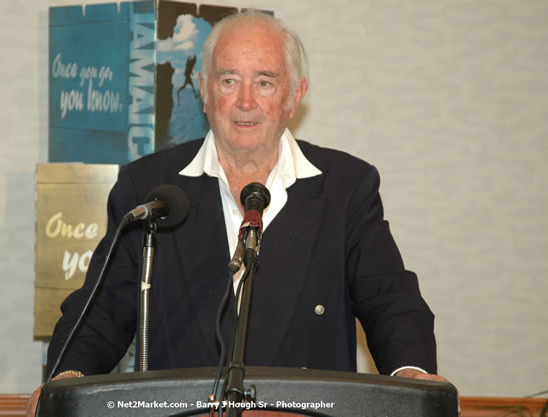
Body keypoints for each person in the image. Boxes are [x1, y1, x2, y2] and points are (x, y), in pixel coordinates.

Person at [27, 11, 458, 416]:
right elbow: (101, 309)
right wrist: (67, 380)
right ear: (203, 88)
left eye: (265, 83)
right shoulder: (151, 187)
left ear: (295, 95)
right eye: (229, 80)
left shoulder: (345, 186)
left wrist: (413, 377)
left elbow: (390, 298)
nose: (245, 102)